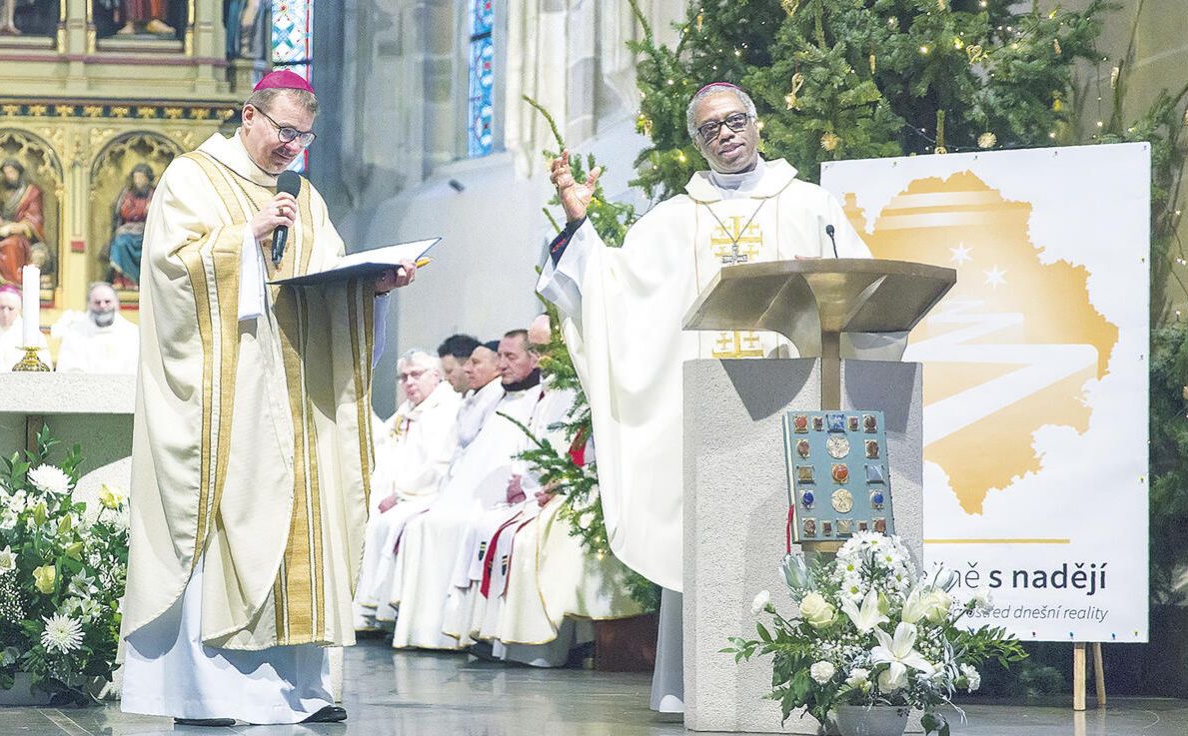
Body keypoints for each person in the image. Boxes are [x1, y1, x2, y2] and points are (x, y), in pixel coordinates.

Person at [537, 82, 871, 712]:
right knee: (704, 538)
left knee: (796, 533)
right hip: (705, 417)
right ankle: (701, 688)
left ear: (757, 124)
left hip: (794, 404)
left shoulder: (812, 205)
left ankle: (813, 679)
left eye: (735, 120)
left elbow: (859, 291)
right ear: (696, 140)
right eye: (710, 128)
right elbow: (612, 293)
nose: (726, 134)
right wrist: (580, 221)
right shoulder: (672, 220)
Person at [119, 69, 417, 726]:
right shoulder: (192, 177)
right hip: (231, 395)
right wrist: (238, 241)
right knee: (229, 519)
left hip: (297, 391)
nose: (293, 149)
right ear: (248, 115)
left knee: (300, 527)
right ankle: (206, 697)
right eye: (285, 132)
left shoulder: (303, 195)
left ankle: (300, 693)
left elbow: (324, 273)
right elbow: (169, 273)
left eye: (304, 138)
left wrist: (373, 286)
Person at [387, 330, 547, 650]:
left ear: (536, 358)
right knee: (423, 526)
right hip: (466, 491)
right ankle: (425, 630)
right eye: (499, 357)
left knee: (448, 527)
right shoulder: (499, 397)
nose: (502, 365)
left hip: (505, 496)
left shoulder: (533, 398)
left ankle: (454, 632)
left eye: (509, 357)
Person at [353, 349, 461, 630]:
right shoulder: (407, 411)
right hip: (393, 493)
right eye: (403, 377)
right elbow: (381, 443)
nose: (408, 382)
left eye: (416, 375)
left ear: (435, 376)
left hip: (425, 494)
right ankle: (364, 610)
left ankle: (379, 611)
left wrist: (399, 494)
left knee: (382, 523)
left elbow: (438, 465)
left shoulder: (446, 410)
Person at [0, 159, 44, 286]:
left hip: (21, 234)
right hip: (1, 229)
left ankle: (14, 279)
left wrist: (17, 227)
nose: (8, 176)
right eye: (6, 173)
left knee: (13, 244)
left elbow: (36, 218)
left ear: (18, 172)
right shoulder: (0, 189)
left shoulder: (32, 191)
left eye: (11, 172)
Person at [55, 282, 139, 374]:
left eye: (107, 301)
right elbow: (68, 372)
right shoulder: (74, 335)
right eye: (97, 302)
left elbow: (136, 371)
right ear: (89, 305)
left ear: (117, 304)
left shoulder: (132, 334)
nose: (102, 306)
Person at [107, 163, 156, 288]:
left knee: (155, 246)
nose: (138, 181)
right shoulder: (128, 194)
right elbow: (125, 211)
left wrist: (152, 209)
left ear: (148, 179)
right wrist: (142, 210)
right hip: (129, 231)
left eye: (141, 178)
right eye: (136, 178)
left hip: (148, 231)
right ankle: (123, 280)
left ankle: (148, 282)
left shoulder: (154, 194)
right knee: (120, 243)